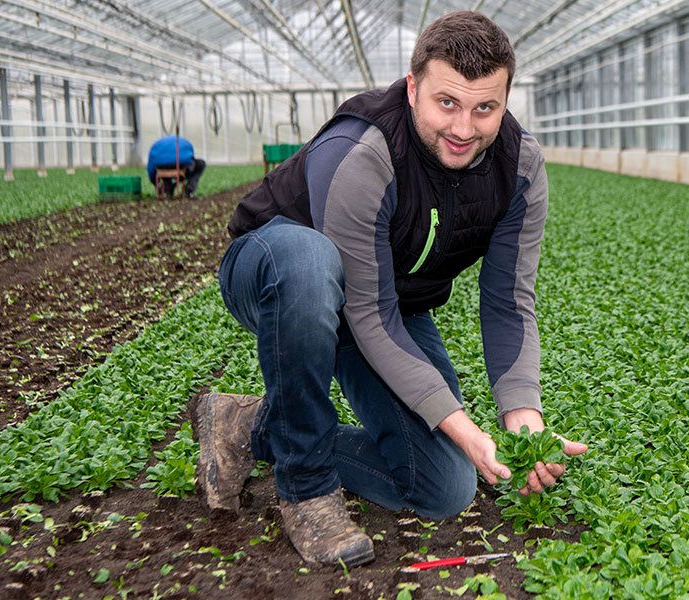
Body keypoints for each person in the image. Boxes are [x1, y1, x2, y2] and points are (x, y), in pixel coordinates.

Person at [197, 11, 588, 567]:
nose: (463, 128)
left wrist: (522, 418)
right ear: (412, 89)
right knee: (311, 262)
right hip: (276, 270)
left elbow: (508, 301)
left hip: (387, 301)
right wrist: (462, 423)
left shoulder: (519, 167)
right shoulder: (364, 151)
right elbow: (367, 313)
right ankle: (306, 487)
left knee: (445, 485)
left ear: (505, 100)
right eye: (446, 103)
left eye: (485, 108)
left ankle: (247, 425)